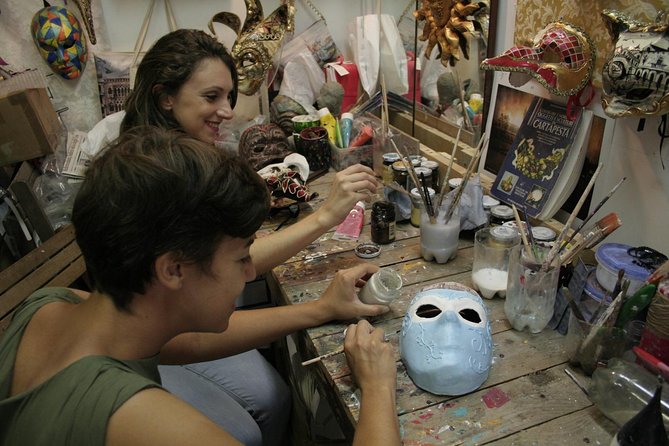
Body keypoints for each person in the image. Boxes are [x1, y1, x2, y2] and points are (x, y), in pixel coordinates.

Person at [0, 128, 400, 445]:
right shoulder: (137, 420)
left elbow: (181, 343)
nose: (249, 272)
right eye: (241, 256)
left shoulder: (51, 306)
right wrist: (378, 386)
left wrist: (320, 309)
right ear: (173, 270)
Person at [87, 28, 384, 445]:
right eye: (212, 97)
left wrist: (319, 301)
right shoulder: (156, 179)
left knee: (274, 396)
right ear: (165, 96)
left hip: (154, 330)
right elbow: (176, 335)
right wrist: (322, 225)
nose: (226, 111)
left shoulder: (180, 155)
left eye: (228, 97)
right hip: (149, 342)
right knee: (246, 428)